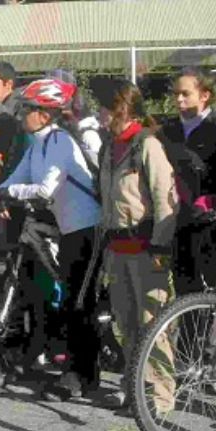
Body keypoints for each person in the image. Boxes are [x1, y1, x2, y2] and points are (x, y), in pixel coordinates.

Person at [0, 78, 102, 401]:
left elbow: (44, 189)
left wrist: (9, 192)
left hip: (87, 227)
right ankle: (68, 366)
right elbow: (18, 177)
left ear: (45, 115)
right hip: (67, 228)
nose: (21, 114)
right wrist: (1, 191)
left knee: (78, 303)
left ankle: (80, 376)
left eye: (28, 109)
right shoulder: (38, 144)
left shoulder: (59, 142)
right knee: (67, 297)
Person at [97, 79, 178, 413]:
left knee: (153, 326)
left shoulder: (146, 144)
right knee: (126, 326)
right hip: (117, 249)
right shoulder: (109, 145)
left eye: (103, 106)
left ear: (122, 107)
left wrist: (160, 245)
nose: (98, 113)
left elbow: (164, 197)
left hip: (146, 250)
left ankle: (159, 398)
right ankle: (134, 391)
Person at [160, 67, 216, 295]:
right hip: (178, 223)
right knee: (185, 291)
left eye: (185, 93)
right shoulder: (167, 130)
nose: (179, 99)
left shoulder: (213, 128)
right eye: (175, 94)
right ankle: (190, 331)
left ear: (205, 95)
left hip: (210, 224)